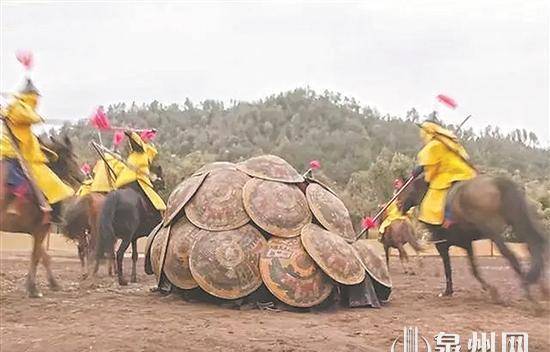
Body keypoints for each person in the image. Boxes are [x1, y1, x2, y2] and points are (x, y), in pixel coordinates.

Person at [0, 79, 74, 222]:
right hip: (13, 153)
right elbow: (29, 117)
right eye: (35, 97)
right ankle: (16, 206)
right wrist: (39, 118)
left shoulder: (16, 107)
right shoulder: (18, 107)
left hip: (19, 153)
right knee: (26, 182)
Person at [412, 121, 476, 227]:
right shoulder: (447, 142)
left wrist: (428, 178)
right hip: (465, 172)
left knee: (442, 194)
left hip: (453, 174)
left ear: (426, 132)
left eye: (422, 131)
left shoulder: (433, 146)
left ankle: (449, 217)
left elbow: (432, 168)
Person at [115, 131, 166, 211]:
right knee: (158, 203)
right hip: (136, 179)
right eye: (149, 138)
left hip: (122, 181)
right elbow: (137, 142)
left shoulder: (141, 153)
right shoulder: (141, 149)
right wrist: (131, 134)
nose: (150, 141)